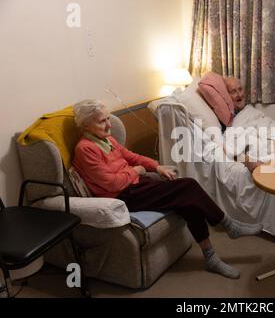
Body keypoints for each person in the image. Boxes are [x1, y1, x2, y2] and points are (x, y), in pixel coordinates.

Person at [71, 99, 263, 279]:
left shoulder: (107, 140)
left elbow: (132, 156)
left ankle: (211, 257)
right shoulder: (85, 149)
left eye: (107, 118)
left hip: (136, 186)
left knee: (189, 203)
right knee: (189, 185)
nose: (108, 125)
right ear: (86, 125)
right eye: (101, 121)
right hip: (122, 197)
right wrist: (136, 171)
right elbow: (111, 183)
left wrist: (156, 166)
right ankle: (228, 224)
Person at [223, 77, 263, 173]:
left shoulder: (249, 111)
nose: (239, 94)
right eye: (233, 91)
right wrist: (246, 160)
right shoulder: (226, 118)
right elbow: (227, 146)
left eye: (240, 89)